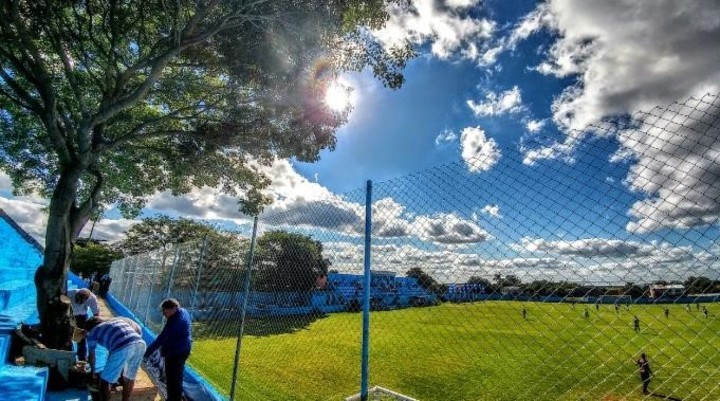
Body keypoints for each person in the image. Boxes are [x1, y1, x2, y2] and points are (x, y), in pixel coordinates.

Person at [81, 317, 146, 401]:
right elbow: (114, 351)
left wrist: (92, 373)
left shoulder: (92, 333)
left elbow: (92, 357)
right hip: (140, 343)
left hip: (123, 347)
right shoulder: (114, 322)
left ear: (89, 329)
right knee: (129, 377)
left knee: (104, 380)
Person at [144, 298, 192, 401]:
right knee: (176, 376)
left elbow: (160, 339)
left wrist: (146, 353)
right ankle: (173, 397)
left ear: (173, 309)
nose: (163, 314)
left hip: (176, 352)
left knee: (173, 378)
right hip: (183, 348)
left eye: (165, 311)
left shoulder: (175, 322)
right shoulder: (182, 311)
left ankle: (173, 399)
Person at [67, 288, 100, 361]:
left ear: (86, 300)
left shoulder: (92, 299)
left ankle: (82, 359)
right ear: (76, 295)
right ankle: (69, 356)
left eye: (80, 302)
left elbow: (96, 315)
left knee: (81, 338)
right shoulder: (71, 293)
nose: (78, 303)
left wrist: (92, 328)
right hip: (70, 315)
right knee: (67, 336)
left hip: (82, 316)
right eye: (77, 300)